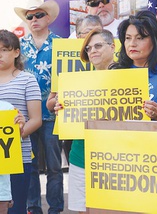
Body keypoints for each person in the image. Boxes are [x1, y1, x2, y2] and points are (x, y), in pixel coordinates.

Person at [54, 29, 115, 214]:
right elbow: (70, 119)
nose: (93, 51)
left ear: (112, 47)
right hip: (81, 156)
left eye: (98, 46)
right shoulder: (78, 82)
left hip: (117, 158)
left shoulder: (128, 76)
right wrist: (61, 109)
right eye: (89, 48)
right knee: (83, 210)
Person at [14, 0, 63, 214]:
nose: (34, 19)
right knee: (29, 165)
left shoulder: (61, 44)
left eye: (39, 15)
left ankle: (55, 208)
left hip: (54, 114)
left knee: (54, 166)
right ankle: (32, 207)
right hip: (26, 115)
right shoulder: (18, 47)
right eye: (30, 16)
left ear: (48, 18)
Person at [0, 29, 42, 214]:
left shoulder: (27, 80)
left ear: (16, 52)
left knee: (15, 208)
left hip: (18, 157)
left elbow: (36, 119)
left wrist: (21, 130)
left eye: (4, 49)